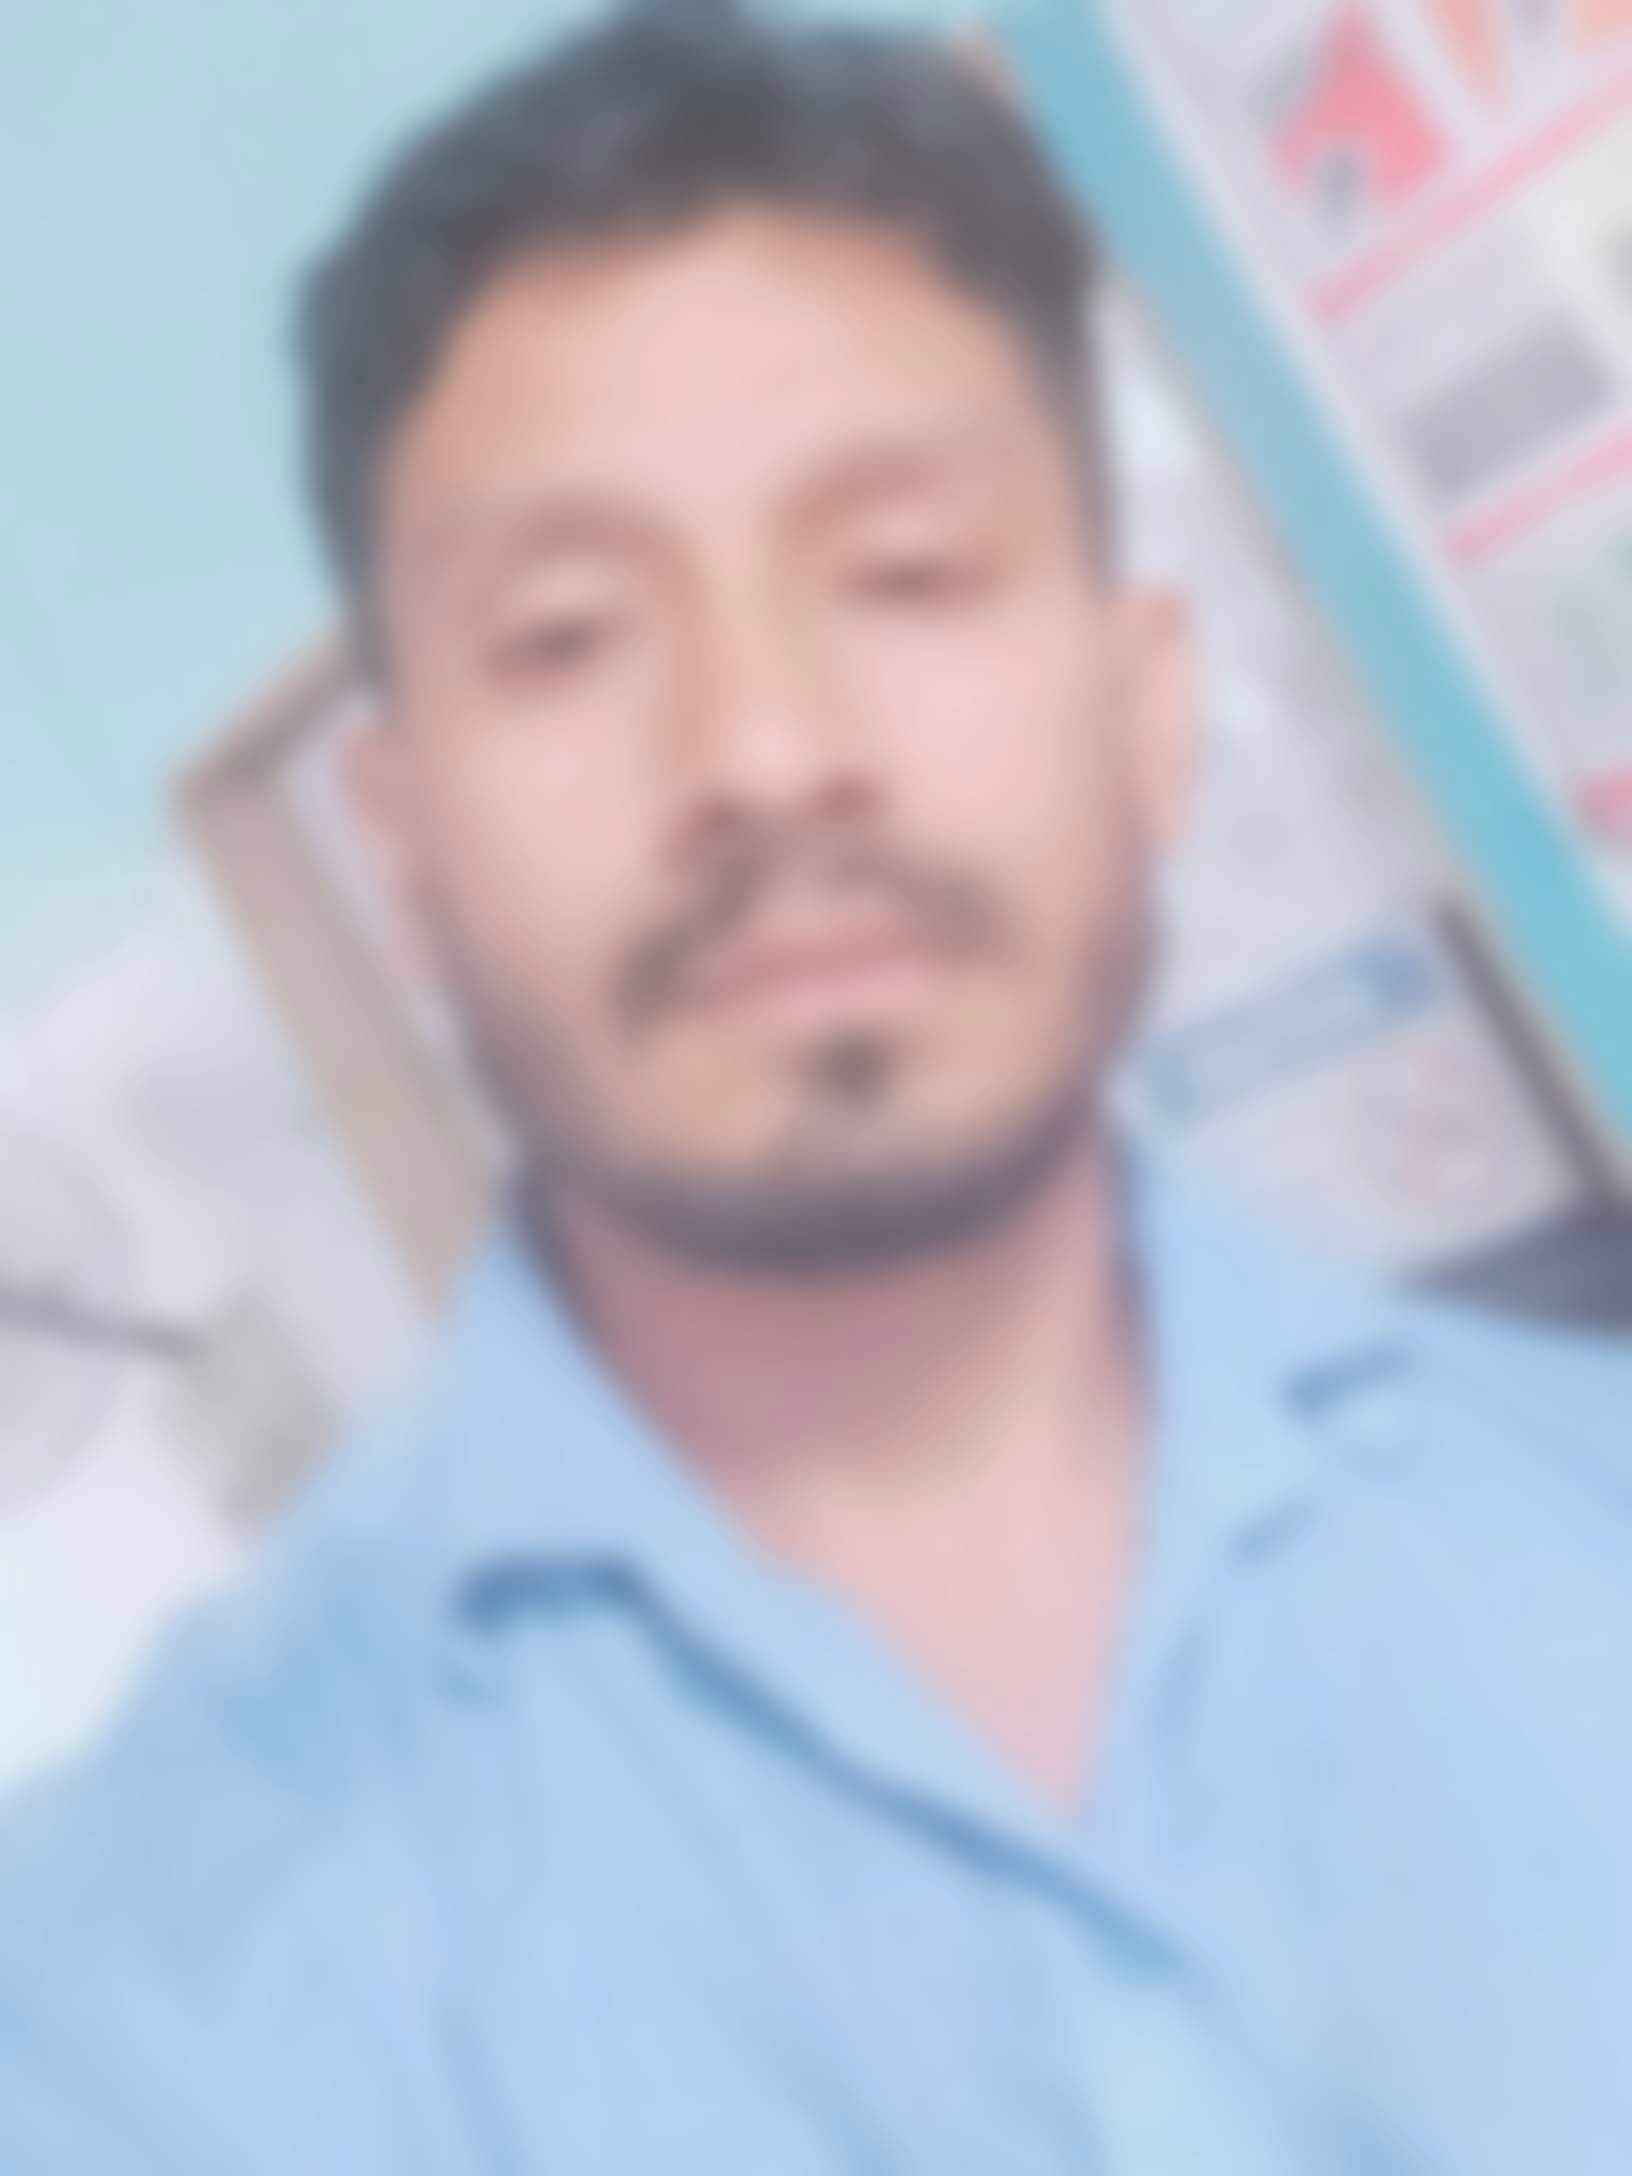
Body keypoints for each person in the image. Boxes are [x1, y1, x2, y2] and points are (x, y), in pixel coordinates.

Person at [3, 7, 1629, 2170]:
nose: (763, 748)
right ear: (401, 852)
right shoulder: (117, 2012)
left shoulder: (1583, 1527)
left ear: (1146, 711)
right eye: (568, 634)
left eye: (906, 573)